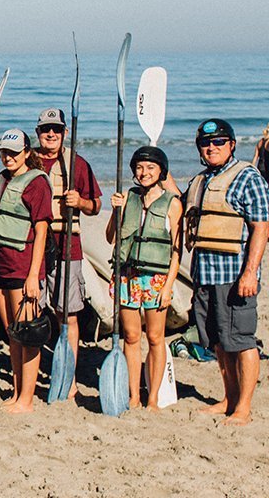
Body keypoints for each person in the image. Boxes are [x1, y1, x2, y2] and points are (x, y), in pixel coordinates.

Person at [183, 118, 269, 425]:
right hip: (205, 274)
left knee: (241, 341)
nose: (212, 147)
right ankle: (228, 398)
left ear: (231, 145)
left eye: (219, 142)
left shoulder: (247, 177)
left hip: (234, 275)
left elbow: (261, 227)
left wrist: (251, 273)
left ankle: (243, 406)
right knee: (218, 342)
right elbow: (181, 205)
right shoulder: (201, 180)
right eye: (206, 144)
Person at [0, 130, 51, 413]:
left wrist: (34, 276)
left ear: (27, 153)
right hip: (1, 265)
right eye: (4, 153)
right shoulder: (1, 179)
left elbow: (42, 230)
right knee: (12, 333)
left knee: (27, 334)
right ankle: (18, 391)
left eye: (14, 152)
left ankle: (27, 399)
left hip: (24, 267)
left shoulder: (37, 184)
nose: (8, 157)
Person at [106, 146, 183, 411]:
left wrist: (169, 286)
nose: (144, 173)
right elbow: (111, 238)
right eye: (139, 168)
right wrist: (115, 210)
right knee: (130, 335)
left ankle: (152, 398)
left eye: (150, 168)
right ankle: (133, 396)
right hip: (128, 276)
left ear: (161, 170)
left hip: (156, 280)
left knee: (154, 337)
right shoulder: (128, 197)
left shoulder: (172, 203)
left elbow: (176, 251)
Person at [34, 108, 102, 400]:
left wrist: (81, 202)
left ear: (65, 132)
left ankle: (69, 378)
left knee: (68, 316)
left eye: (57, 129)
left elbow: (97, 205)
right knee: (33, 312)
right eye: (46, 129)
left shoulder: (77, 164)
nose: (51, 134)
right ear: (38, 133)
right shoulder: (28, 160)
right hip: (33, 247)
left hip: (66, 245)